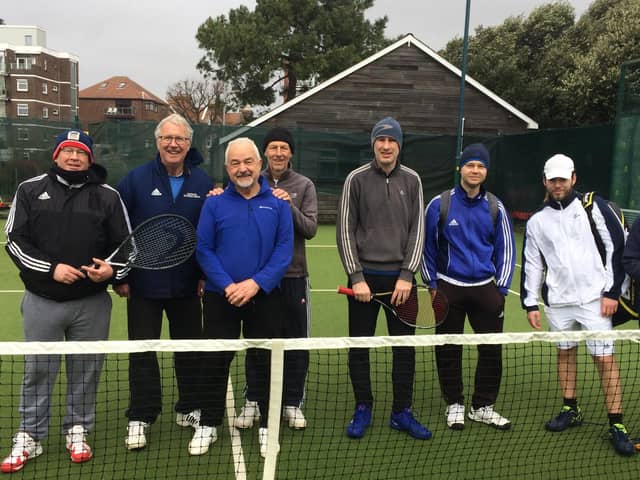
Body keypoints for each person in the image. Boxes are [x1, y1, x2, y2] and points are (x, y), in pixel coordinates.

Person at [1, 130, 131, 473]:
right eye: (68, 151)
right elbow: (14, 240)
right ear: (56, 156)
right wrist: (51, 269)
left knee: (86, 371)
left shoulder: (108, 196)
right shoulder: (29, 190)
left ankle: (77, 430)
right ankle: (30, 434)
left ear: (90, 159)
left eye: (81, 152)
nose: (74, 157)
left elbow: (126, 247)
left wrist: (112, 272)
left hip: (91, 302)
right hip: (42, 299)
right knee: (37, 371)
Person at [521, 153, 635, 456]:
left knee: (604, 359)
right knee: (565, 352)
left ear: (573, 178)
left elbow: (617, 248)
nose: (558, 184)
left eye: (563, 179)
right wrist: (531, 302)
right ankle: (571, 408)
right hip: (558, 303)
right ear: (545, 181)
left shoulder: (594, 207)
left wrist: (612, 292)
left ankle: (617, 423)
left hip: (595, 300)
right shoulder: (536, 221)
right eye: (552, 180)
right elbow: (532, 264)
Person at [114, 113, 213, 450]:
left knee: (190, 352)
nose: (174, 144)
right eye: (167, 138)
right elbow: (119, 228)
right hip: (143, 286)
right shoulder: (135, 180)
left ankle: (189, 408)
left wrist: (203, 276)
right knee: (142, 352)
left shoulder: (202, 183)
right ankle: (141, 415)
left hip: (187, 286)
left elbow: (207, 234)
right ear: (157, 142)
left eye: (180, 139)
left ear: (188, 144)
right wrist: (121, 274)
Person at [190, 137, 293, 458]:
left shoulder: (278, 204)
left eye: (248, 161)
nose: (242, 168)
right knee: (214, 361)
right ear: (227, 168)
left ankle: (266, 427)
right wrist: (227, 285)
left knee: (265, 363)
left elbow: (283, 251)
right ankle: (208, 423)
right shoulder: (214, 202)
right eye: (234, 163)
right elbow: (203, 248)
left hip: (265, 297)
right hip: (223, 298)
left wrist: (255, 284)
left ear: (259, 164)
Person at [336, 117, 431, 440]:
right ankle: (363, 406)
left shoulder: (414, 180)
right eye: (381, 140)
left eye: (392, 141)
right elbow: (345, 230)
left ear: (399, 145)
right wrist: (357, 277)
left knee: (403, 348)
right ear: (373, 144)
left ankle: (401, 411)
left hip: (402, 284)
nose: (386, 146)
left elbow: (419, 230)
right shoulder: (355, 179)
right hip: (363, 283)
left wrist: (407, 275)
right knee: (359, 347)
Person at [421, 143, 515, 431]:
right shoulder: (440, 204)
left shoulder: (496, 207)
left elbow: (506, 251)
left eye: (481, 166)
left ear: (486, 171)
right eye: (470, 165)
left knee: (491, 350)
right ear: (460, 168)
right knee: (448, 348)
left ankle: (483, 406)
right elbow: (426, 249)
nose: (475, 170)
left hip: (486, 288)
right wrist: (432, 284)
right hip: (448, 287)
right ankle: (455, 404)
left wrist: (500, 290)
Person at [234, 127, 317, 431]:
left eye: (284, 147)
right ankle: (253, 400)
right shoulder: (252, 181)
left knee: (296, 343)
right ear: (264, 152)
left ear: (291, 153)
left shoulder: (304, 185)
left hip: (294, 277)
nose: (279, 153)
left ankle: (292, 403)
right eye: (273, 147)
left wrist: (288, 205)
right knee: (258, 342)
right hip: (258, 280)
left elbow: (310, 228)